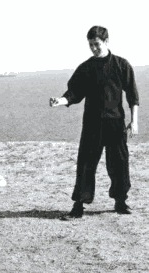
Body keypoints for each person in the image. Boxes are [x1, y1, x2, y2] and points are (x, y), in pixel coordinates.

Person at [50, 26, 139, 220]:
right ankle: (79, 205)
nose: (94, 49)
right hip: (92, 124)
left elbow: (133, 95)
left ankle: (120, 201)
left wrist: (134, 121)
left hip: (115, 123)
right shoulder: (86, 68)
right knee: (86, 164)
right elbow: (73, 93)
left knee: (119, 163)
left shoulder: (121, 65)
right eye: (91, 45)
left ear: (106, 42)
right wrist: (60, 101)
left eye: (97, 44)